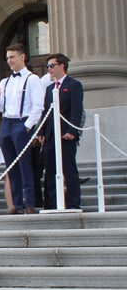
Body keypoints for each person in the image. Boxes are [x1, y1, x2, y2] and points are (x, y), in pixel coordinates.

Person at [0, 43, 44, 214]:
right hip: (6, 123)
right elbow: (1, 107)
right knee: (11, 166)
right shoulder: (6, 81)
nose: (9, 61)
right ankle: (16, 204)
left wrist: (27, 127)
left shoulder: (33, 79)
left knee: (24, 165)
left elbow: (38, 106)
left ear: (23, 57)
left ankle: (30, 203)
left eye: (12, 57)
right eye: (7, 58)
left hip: (22, 123)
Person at [38, 53, 84, 210]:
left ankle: (73, 202)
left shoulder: (74, 85)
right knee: (50, 170)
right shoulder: (50, 88)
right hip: (51, 135)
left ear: (62, 66)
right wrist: (42, 132)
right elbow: (46, 112)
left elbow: (76, 110)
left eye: (51, 66)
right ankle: (51, 204)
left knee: (69, 170)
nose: (49, 69)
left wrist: (72, 131)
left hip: (66, 135)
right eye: (47, 67)